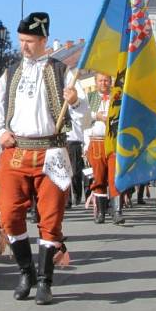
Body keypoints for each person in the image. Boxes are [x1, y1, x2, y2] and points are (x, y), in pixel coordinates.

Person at [0, 12, 85, 305]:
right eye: (21, 41)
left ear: (43, 40)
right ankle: (25, 272)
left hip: (51, 151)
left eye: (29, 41)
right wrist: (0, 131)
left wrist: (76, 101)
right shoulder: (11, 72)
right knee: (10, 215)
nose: (24, 47)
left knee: (51, 219)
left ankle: (45, 280)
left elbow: (82, 120)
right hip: (16, 151)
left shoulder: (61, 71)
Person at [85, 73, 122, 224]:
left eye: (106, 80)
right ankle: (101, 213)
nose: (104, 83)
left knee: (115, 178)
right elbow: (83, 118)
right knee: (98, 178)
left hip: (113, 142)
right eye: (100, 80)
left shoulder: (117, 96)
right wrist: (97, 116)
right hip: (96, 141)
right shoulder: (90, 97)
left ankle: (117, 212)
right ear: (95, 82)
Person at [64, 72, 91, 209]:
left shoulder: (75, 103)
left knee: (74, 171)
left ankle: (77, 194)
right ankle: (66, 199)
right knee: (63, 172)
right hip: (62, 140)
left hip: (74, 140)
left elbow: (84, 118)